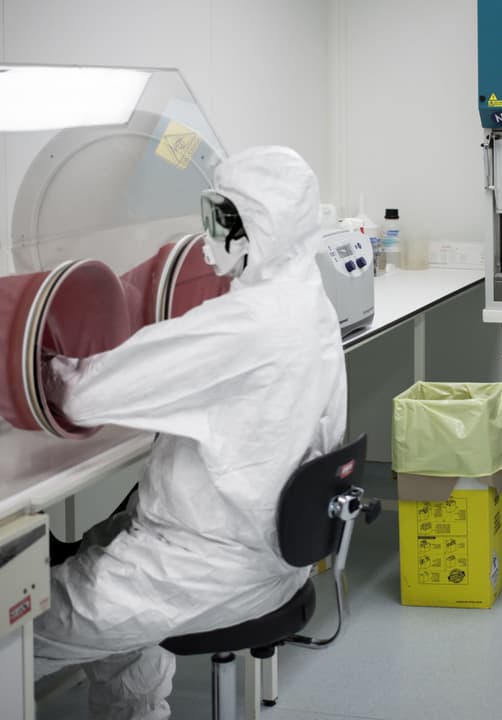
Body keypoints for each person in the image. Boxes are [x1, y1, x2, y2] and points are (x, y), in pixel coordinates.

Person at [33, 146, 347, 718]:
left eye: (218, 220)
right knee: (100, 553)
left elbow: (84, 394)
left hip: (210, 564)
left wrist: (37, 362)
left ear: (258, 229)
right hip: (269, 554)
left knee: (14, 633)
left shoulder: (247, 322)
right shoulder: (307, 299)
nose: (206, 238)